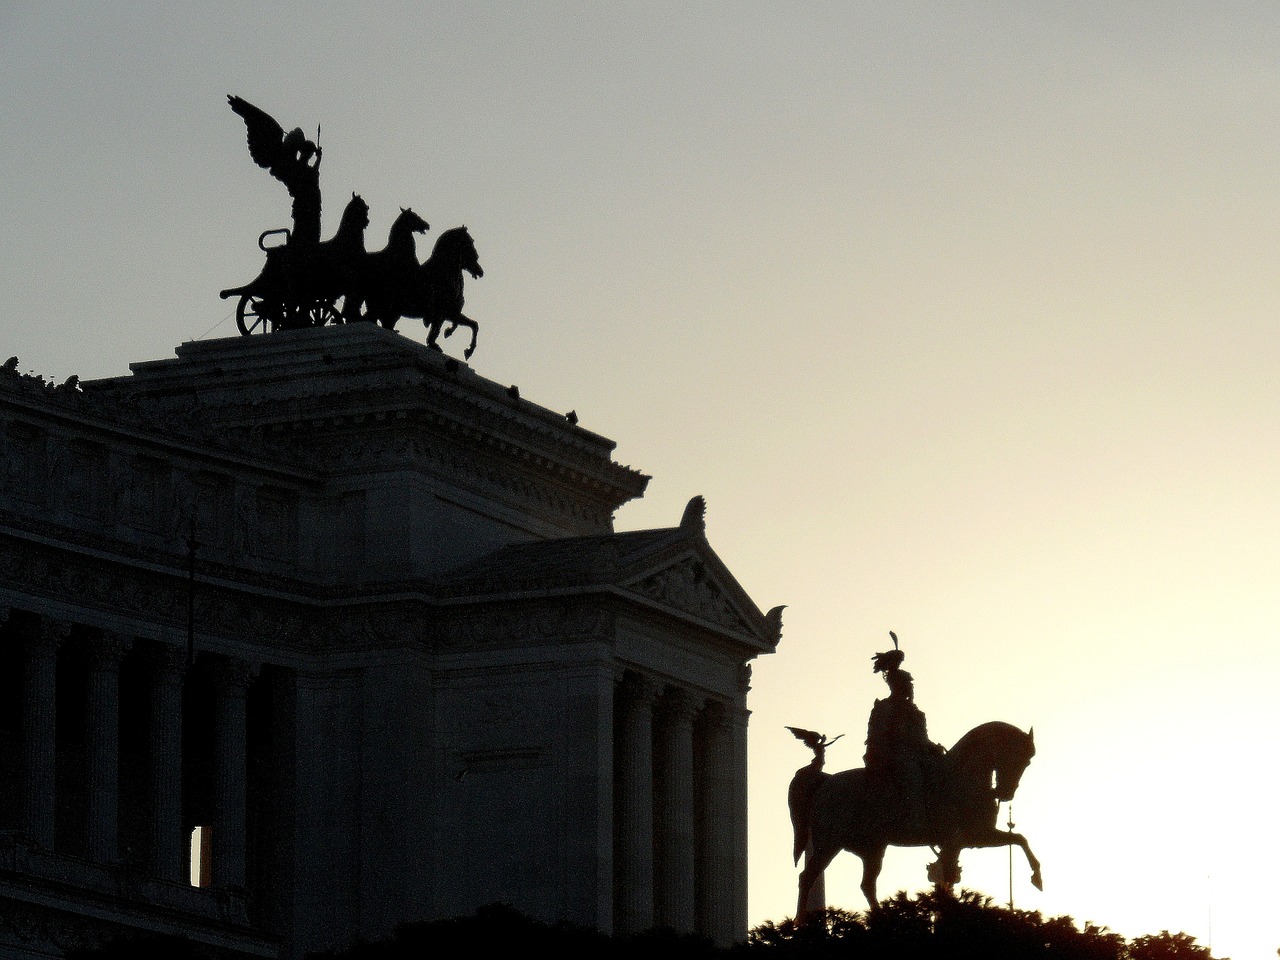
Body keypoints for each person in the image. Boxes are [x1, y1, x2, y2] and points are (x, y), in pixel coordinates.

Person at [863, 633, 944, 833]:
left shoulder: (916, 713)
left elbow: (922, 739)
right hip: (891, 756)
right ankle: (913, 815)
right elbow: (880, 737)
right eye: (907, 685)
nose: (910, 688)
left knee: (941, 768)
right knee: (911, 771)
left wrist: (932, 747)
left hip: (916, 754)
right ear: (897, 686)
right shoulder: (885, 708)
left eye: (910, 685)